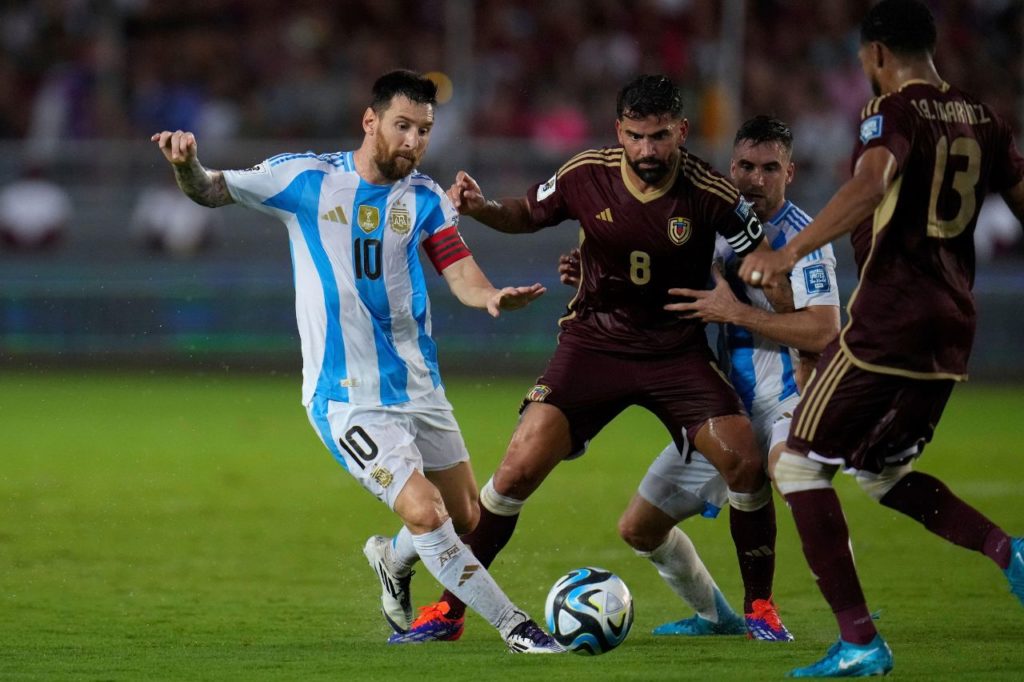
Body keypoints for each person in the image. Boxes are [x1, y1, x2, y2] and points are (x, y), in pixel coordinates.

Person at [151, 69, 563, 654]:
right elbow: (212, 189)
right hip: (345, 395)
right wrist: (185, 165)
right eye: (403, 126)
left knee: (468, 515)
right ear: (370, 122)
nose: (414, 142)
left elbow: (460, 272)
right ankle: (518, 628)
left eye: (424, 130)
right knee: (426, 512)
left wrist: (491, 295)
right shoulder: (304, 180)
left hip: (418, 386)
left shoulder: (424, 199)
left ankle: (389, 560)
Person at [391, 74, 793, 644]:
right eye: (636, 136)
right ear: (619, 132)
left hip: (677, 352)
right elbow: (526, 213)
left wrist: (776, 307)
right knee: (516, 469)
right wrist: (481, 209)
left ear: (681, 131)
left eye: (659, 137)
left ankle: (761, 608)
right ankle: (448, 612)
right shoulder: (586, 174)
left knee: (746, 462)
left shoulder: (712, 193)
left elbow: (767, 263)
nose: (648, 150)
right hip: (594, 344)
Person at [738, 1, 1024, 677]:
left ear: (874, 55)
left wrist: (787, 254)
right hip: (953, 328)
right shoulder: (985, 120)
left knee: (800, 464)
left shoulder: (889, 112)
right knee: (882, 471)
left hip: (889, 321)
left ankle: (861, 642)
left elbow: (869, 186)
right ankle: (1009, 552)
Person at [610, 115, 841, 639]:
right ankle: (719, 620)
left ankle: (831, 610)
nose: (754, 179)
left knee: (792, 477)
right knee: (638, 529)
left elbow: (826, 332)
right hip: (718, 407)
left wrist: (735, 312)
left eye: (768, 168)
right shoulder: (705, 224)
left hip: (785, 401)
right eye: (744, 166)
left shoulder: (803, 239)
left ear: (790, 173)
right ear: (729, 167)